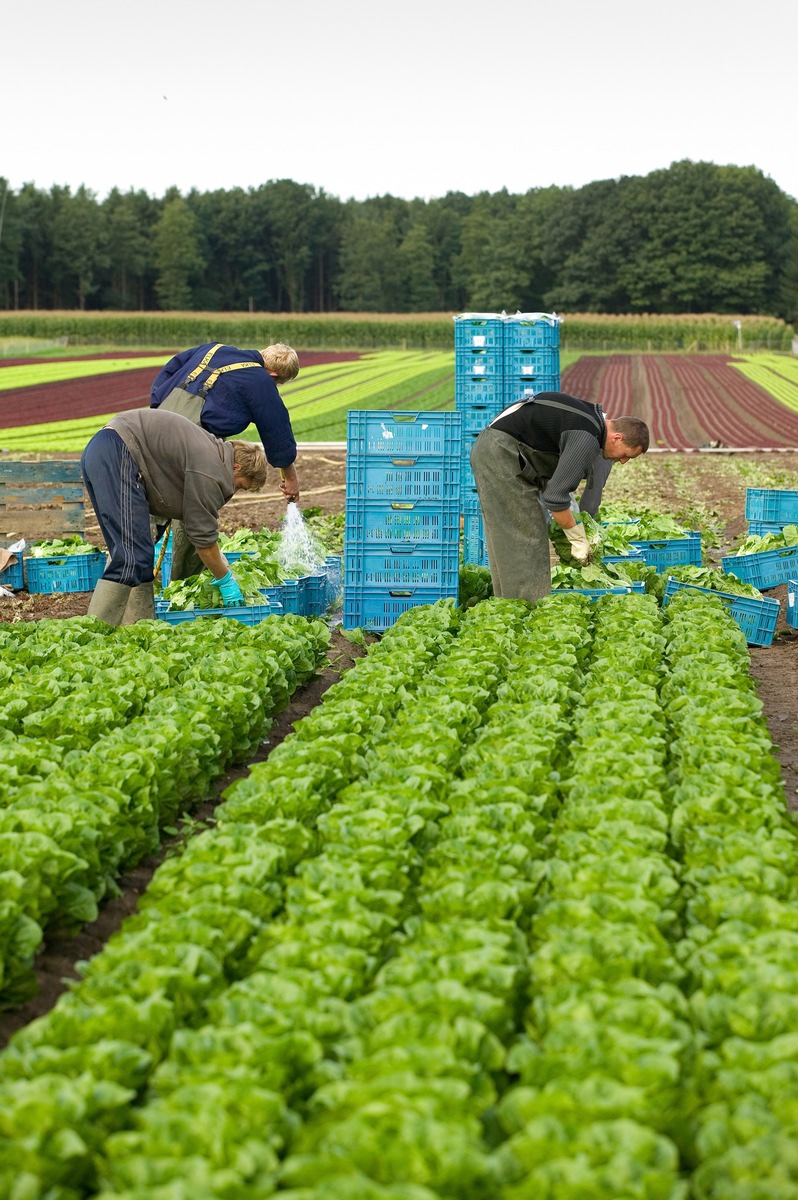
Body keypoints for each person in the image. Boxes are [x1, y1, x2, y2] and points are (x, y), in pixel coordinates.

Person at [80, 408, 268, 625]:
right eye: (240, 486)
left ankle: (138, 629)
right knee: (130, 557)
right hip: (117, 452)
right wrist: (225, 580)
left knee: (140, 556)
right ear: (236, 468)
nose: (234, 493)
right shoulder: (212, 469)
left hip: (108, 451)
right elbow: (203, 540)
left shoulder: (213, 455)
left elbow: (198, 524)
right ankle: (94, 633)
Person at [470, 391, 649, 603]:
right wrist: (577, 537)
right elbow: (555, 497)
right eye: (627, 455)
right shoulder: (587, 437)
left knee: (509, 538)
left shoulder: (591, 422)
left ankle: (509, 604)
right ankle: (526, 609)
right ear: (617, 438)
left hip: (501, 451)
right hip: (501, 454)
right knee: (526, 536)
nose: (624, 461)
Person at [150, 341, 300, 578]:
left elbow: (172, 367)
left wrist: (159, 404)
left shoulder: (213, 349)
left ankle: (130, 575)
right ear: (273, 374)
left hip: (153, 425)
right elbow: (277, 430)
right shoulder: (261, 380)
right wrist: (289, 477)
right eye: (278, 382)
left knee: (149, 502)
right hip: (194, 440)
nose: (275, 386)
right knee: (196, 512)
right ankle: (185, 585)